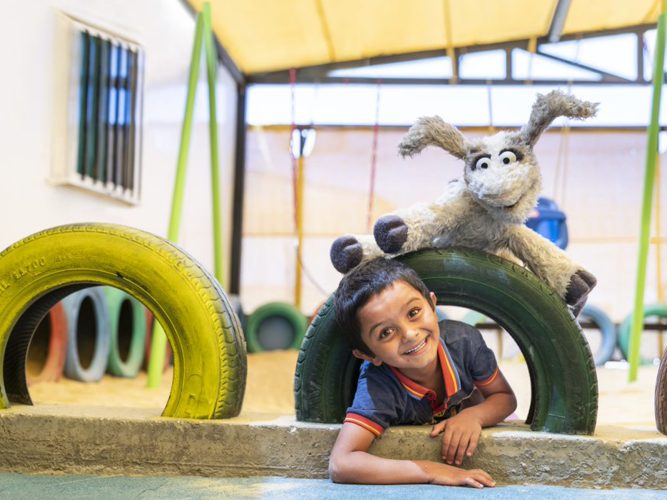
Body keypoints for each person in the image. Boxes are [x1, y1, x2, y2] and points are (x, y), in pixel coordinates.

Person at [328, 257, 517, 488]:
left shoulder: (465, 343)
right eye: (386, 332)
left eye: (414, 312)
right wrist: (431, 470)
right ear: (368, 355)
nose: (409, 334)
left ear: (432, 304)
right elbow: (341, 463)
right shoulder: (379, 385)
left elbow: (504, 398)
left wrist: (474, 416)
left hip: (477, 411)